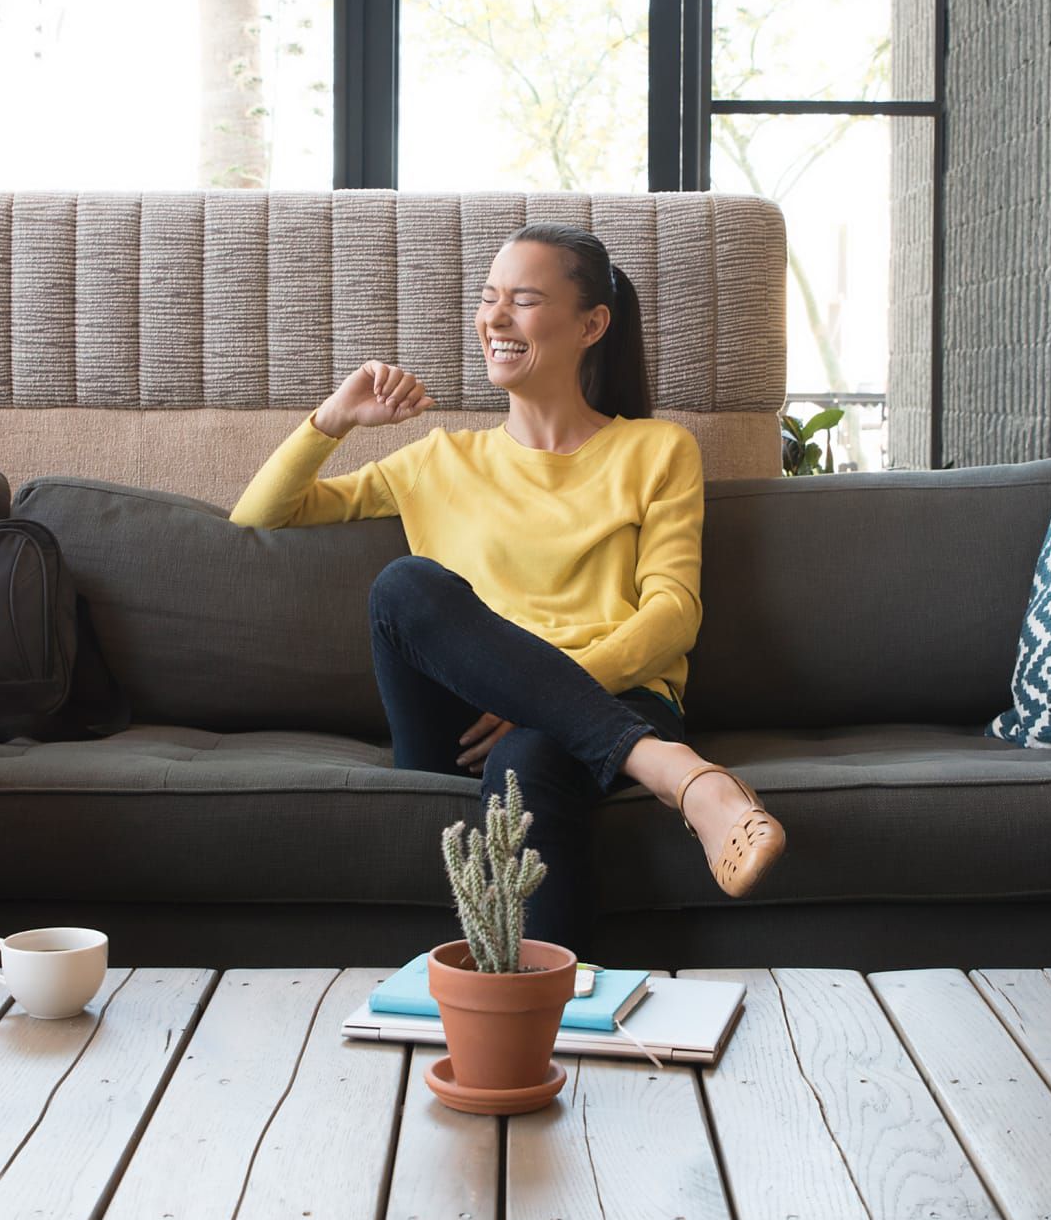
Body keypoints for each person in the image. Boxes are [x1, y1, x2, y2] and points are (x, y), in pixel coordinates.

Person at [229, 222, 785, 950]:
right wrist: (335, 418)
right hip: (461, 726)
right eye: (489, 298)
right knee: (404, 586)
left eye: (522, 300)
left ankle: (556, 1018)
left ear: (592, 324)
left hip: (611, 698)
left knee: (529, 759)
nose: (494, 317)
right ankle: (679, 775)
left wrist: (542, 699)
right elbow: (259, 515)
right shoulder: (437, 459)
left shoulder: (657, 449)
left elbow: (673, 612)